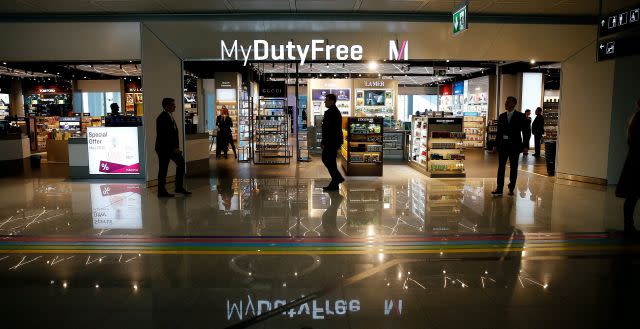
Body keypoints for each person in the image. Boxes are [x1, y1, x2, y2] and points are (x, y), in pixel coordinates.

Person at [155, 97, 191, 197]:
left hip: (170, 148)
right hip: (164, 149)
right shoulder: (162, 118)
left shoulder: (169, 116)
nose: (175, 106)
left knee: (180, 164)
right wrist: (174, 148)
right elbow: (164, 136)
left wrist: (176, 147)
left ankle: (178, 187)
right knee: (163, 169)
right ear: (167, 106)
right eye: (173, 104)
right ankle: (161, 191)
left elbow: (173, 134)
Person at [492, 96, 526, 196]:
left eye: (508, 102)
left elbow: (525, 131)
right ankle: (499, 188)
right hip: (503, 146)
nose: (505, 104)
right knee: (501, 167)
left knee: (513, 167)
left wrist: (525, 146)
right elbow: (499, 132)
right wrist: (495, 145)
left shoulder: (520, 116)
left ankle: (511, 187)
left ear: (514, 104)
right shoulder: (502, 116)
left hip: (515, 146)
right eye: (505, 102)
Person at [615, 99, 640, 238]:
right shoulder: (638, 119)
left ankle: (628, 226)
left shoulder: (635, 118)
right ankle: (629, 227)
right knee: (633, 196)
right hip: (637, 163)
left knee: (632, 196)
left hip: (633, 162)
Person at [321, 94, 345, 191]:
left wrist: (324, 141)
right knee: (330, 161)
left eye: (326, 100)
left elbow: (328, 129)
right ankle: (335, 182)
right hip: (334, 141)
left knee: (326, 159)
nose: (324, 102)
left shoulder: (331, 112)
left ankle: (337, 178)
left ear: (332, 101)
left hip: (331, 141)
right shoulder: (335, 111)